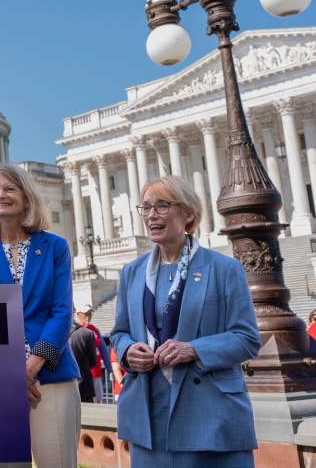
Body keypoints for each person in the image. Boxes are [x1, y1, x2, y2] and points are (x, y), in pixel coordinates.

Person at [110, 176, 260, 466]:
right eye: (146, 207)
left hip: (210, 414)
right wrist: (128, 351)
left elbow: (247, 337)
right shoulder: (132, 272)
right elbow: (120, 332)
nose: (151, 215)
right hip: (149, 415)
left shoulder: (223, 269)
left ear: (188, 214)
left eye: (162, 206)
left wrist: (193, 349)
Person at [0, 163, 80, 468]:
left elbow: (62, 311)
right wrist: (10, 371)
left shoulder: (54, 247)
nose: (0, 195)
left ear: (27, 197)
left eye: (9, 189)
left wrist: (32, 365)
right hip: (1, 381)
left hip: (51, 375)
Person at [75, 302, 110, 402]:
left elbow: (103, 350)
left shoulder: (94, 329)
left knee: (98, 401)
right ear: (78, 314)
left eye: (90, 314)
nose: (88, 317)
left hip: (96, 372)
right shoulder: (74, 330)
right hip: (83, 375)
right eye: (86, 314)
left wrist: (110, 368)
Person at [70, 307, 97, 404]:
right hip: (84, 386)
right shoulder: (88, 334)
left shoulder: (54, 334)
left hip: (62, 387)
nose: (88, 317)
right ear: (75, 312)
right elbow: (93, 362)